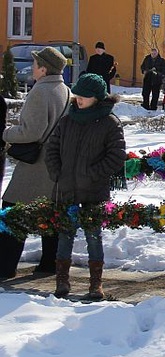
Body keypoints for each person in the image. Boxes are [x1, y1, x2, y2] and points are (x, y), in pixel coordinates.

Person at [45, 73, 126, 300]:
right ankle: (62, 281)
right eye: (77, 95)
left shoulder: (109, 123)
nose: (79, 100)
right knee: (64, 235)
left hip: (93, 190)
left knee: (93, 236)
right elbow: (52, 149)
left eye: (85, 97)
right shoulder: (67, 120)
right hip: (66, 188)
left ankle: (95, 284)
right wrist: (57, 173)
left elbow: (116, 156)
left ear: (97, 98)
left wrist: (92, 174)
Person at [0, 47, 70, 278]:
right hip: (53, 166)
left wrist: (6, 133)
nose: (32, 67)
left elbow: (32, 131)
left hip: (35, 167)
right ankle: (49, 263)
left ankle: (5, 267)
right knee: (48, 213)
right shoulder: (65, 90)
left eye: (35, 63)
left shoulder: (41, 92)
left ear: (43, 67)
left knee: (12, 211)